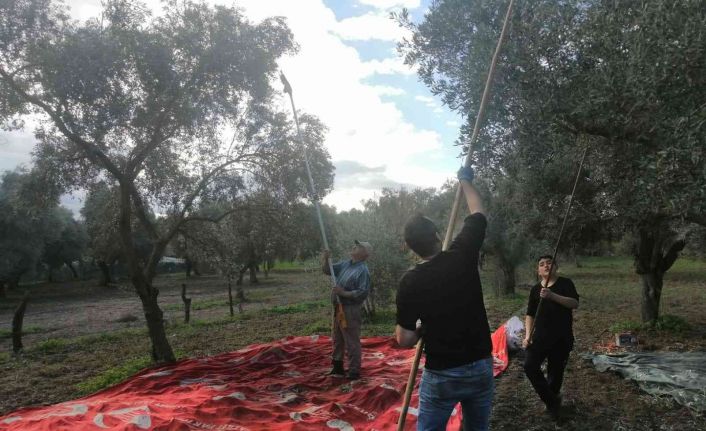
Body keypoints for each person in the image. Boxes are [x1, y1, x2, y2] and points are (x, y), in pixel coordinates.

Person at [395, 166, 493, 431]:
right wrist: (465, 181)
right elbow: (478, 212)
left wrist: (420, 329)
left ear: (410, 246)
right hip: (481, 364)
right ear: (438, 236)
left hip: (442, 373)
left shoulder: (410, 281)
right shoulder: (462, 254)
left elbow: (404, 340)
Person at [523, 255, 579, 421]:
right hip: (539, 338)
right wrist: (527, 335)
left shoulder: (565, 283)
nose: (546, 266)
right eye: (542, 264)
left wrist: (552, 296)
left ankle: (552, 405)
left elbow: (574, 303)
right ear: (538, 271)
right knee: (529, 366)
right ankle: (554, 402)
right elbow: (530, 314)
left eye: (550, 263)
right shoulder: (535, 290)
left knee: (555, 374)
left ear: (556, 266)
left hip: (562, 338)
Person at [321, 240, 372, 380]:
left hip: (350, 309)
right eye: (354, 245)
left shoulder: (363, 271)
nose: (354, 246)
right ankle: (337, 367)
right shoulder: (345, 264)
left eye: (358, 246)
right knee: (337, 338)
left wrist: (343, 293)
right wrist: (326, 258)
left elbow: (362, 292)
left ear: (364, 253)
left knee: (351, 340)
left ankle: (354, 371)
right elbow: (327, 270)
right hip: (338, 307)